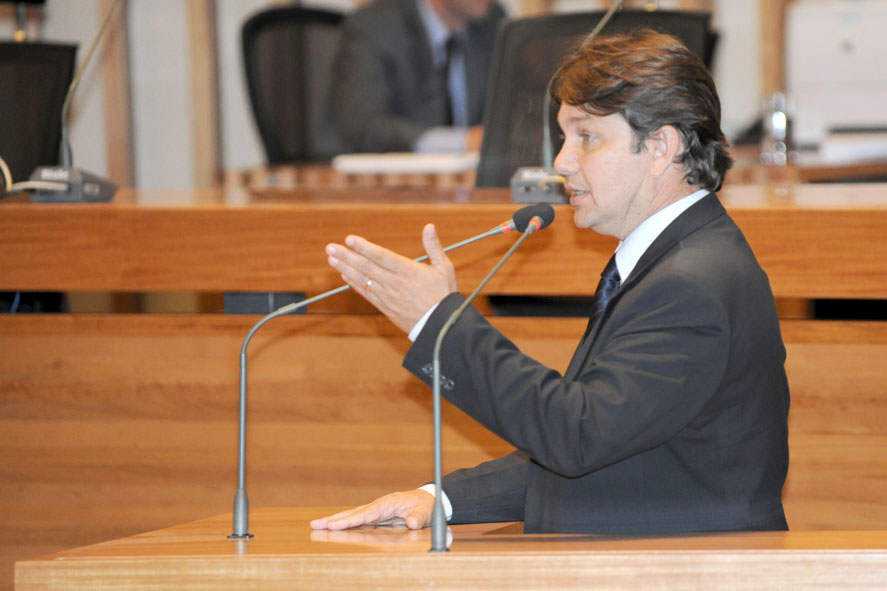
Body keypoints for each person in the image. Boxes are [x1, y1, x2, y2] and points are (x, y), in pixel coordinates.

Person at [312, 29, 790, 535]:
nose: (561, 162)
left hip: (689, 567)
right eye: (564, 137)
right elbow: (610, 448)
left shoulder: (690, 284)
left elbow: (578, 434)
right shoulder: (677, 259)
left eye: (587, 137)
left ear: (660, 147)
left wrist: (439, 324)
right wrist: (438, 499)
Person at [332, 0, 505, 154]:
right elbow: (365, 127)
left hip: (474, 177)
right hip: (400, 176)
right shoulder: (374, 26)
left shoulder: (494, 23)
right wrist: (460, 142)